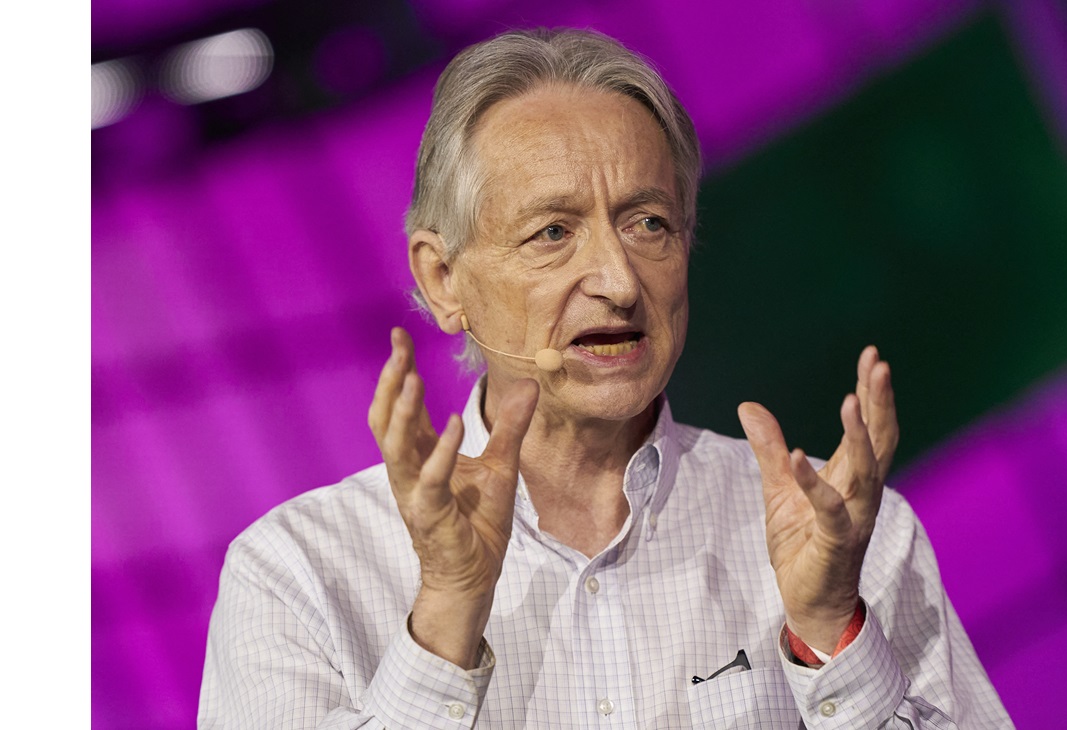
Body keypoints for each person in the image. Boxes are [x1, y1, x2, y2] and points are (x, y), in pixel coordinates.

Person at [198, 28, 1012, 728]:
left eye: (648, 223)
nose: (620, 281)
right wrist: (444, 614)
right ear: (444, 279)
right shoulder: (299, 573)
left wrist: (832, 632)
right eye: (553, 232)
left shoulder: (847, 535)